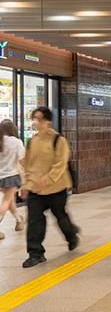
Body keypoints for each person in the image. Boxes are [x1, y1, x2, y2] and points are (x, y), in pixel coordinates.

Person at [21, 107, 79, 268]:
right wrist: (26, 185)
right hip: (35, 188)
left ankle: (71, 235)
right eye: (34, 119)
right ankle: (36, 253)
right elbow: (28, 165)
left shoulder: (58, 140)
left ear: (48, 121)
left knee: (61, 217)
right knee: (34, 221)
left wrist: (46, 179)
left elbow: (60, 164)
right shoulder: (32, 141)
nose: (36, 123)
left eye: (39, 119)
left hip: (56, 187)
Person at [0, 119, 25, 238]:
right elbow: (21, 159)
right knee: (6, 201)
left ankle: (19, 220)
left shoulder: (0, 141)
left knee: (10, 201)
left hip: (1, 176)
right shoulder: (16, 142)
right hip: (12, 175)